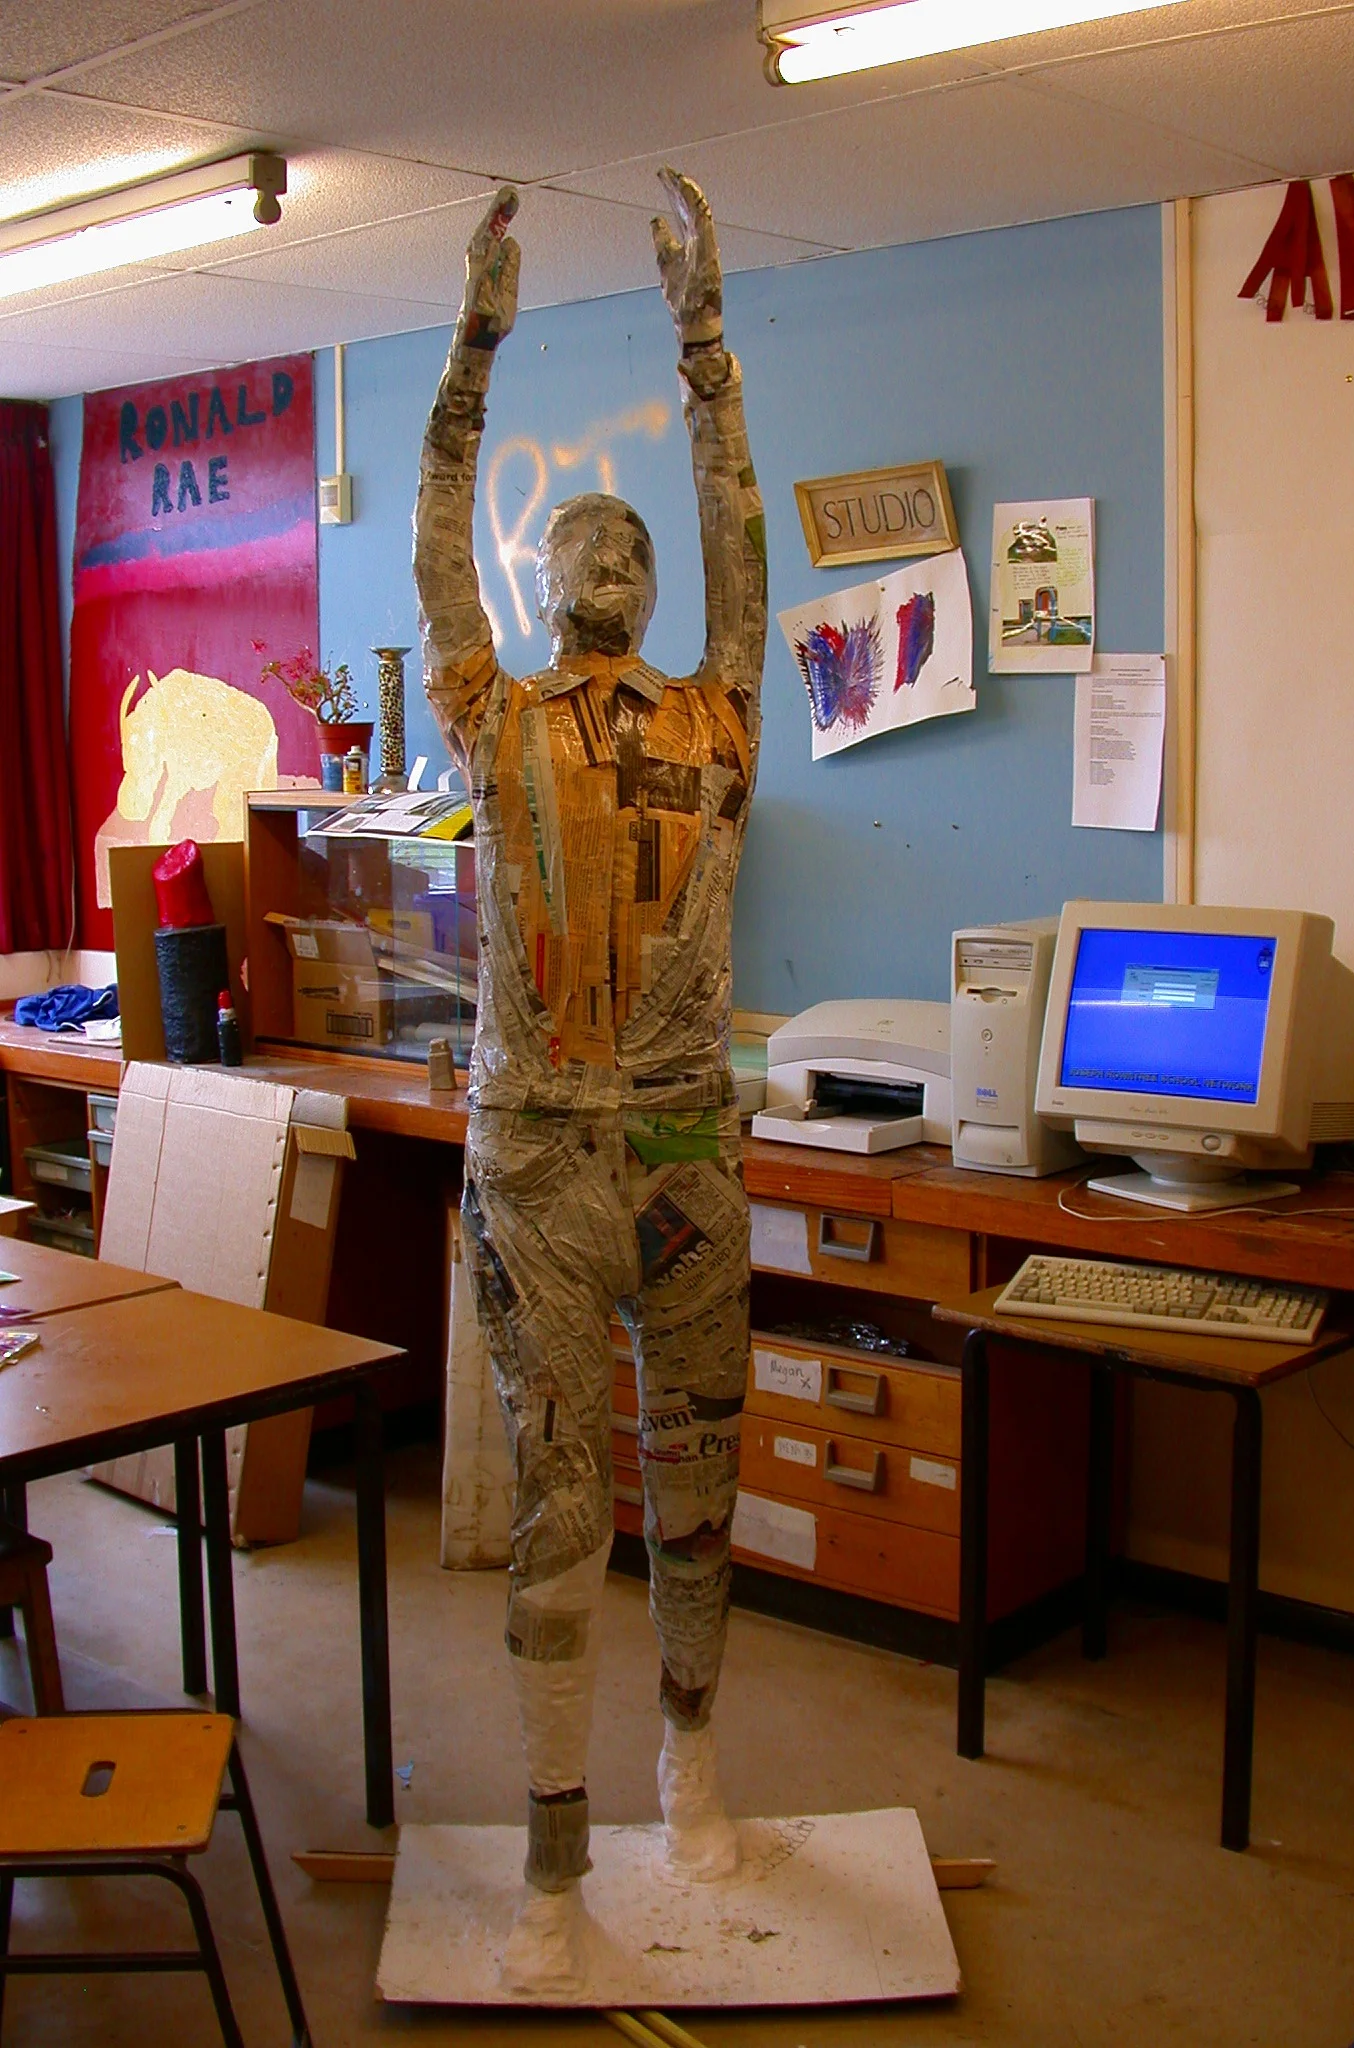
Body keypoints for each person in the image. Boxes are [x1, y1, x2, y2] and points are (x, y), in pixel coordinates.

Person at [415, 169, 766, 1991]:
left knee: (700, 1473)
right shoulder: (492, 717)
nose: (616, 556)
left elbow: (748, 549)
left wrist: (706, 349)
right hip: (542, 1152)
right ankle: (556, 1860)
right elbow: (431, 547)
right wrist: (471, 349)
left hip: (686, 1137)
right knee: (566, 1496)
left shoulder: (720, 716)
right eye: (585, 544)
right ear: (543, 587)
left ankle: (692, 1767)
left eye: (638, 545)